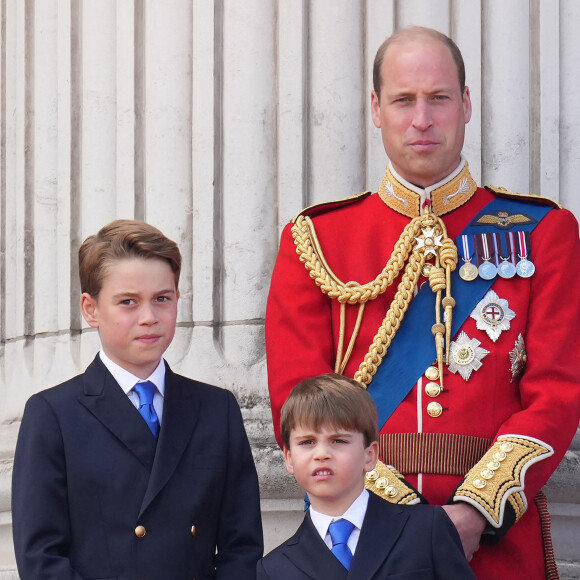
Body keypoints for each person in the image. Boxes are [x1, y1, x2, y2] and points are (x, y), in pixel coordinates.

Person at [265, 26, 580, 579]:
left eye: (439, 98)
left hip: (496, 541)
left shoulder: (543, 232)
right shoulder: (314, 240)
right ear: (376, 109)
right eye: (403, 100)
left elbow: (558, 390)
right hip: (365, 538)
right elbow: (298, 401)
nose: (422, 119)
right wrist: (405, 525)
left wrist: (478, 511)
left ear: (466, 105)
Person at [12, 219, 263, 579]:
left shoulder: (215, 409)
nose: (149, 318)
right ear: (91, 309)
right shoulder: (53, 414)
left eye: (162, 299)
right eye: (128, 302)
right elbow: (41, 557)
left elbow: (242, 546)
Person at [257, 374, 476, 579]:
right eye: (307, 442)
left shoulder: (427, 528)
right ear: (289, 458)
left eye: (338, 441)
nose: (321, 454)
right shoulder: (273, 569)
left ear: (369, 455)